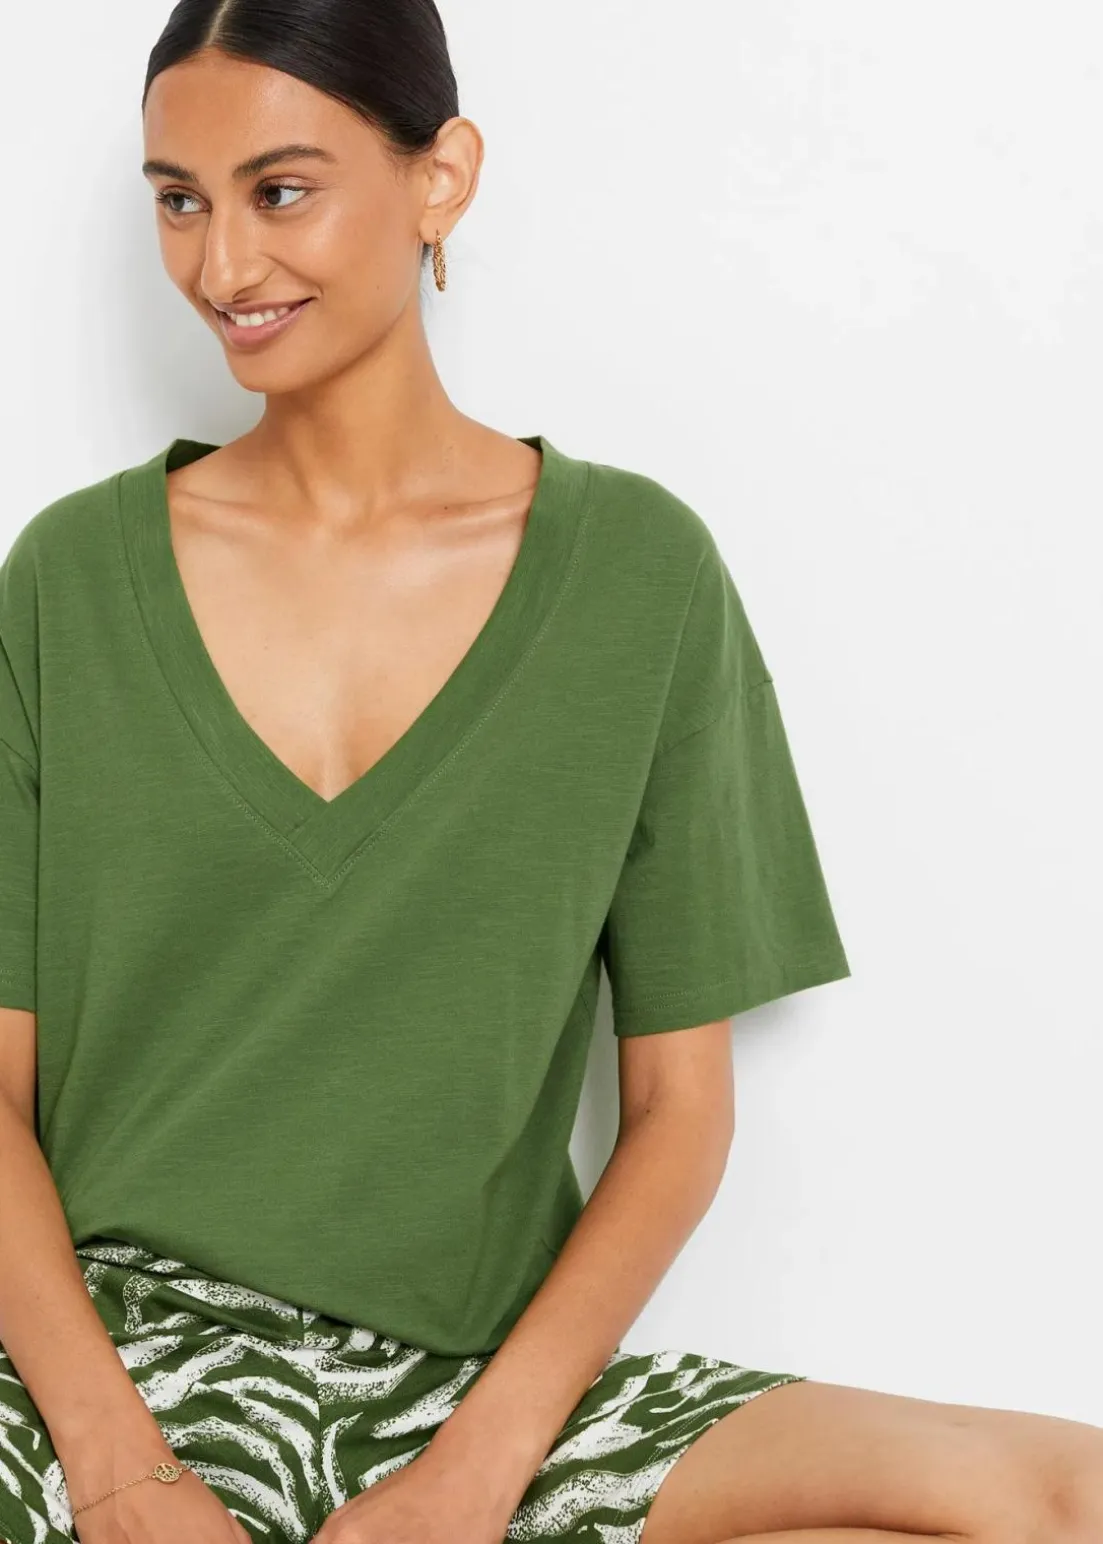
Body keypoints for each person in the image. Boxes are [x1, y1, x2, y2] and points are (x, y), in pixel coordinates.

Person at [0, 2, 1100, 1542]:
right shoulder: (65, 583)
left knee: (1061, 1496)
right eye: (178, 201)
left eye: (280, 190)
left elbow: (677, 1111)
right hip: (95, 1373)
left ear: (440, 176)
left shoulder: (637, 577)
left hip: (482, 1388)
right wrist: (119, 1471)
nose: (223, 265)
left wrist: (472, 1477)